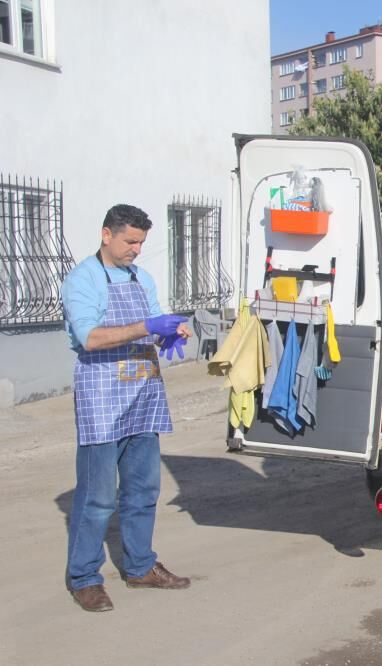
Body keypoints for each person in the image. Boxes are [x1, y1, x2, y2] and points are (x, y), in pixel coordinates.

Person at [61, 204, 194, 612]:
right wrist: (147, 327)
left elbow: (151, 325)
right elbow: (90, 338)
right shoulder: (83, 279)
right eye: (129, 241)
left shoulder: (142, 278)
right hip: (102, 398)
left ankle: (140, 566)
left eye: (140, 243)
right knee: (98, 497)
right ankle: (84, 578)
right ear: (107, 235)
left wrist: (169, 332)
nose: (136, 249)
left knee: (143, 491)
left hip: (143, 397)